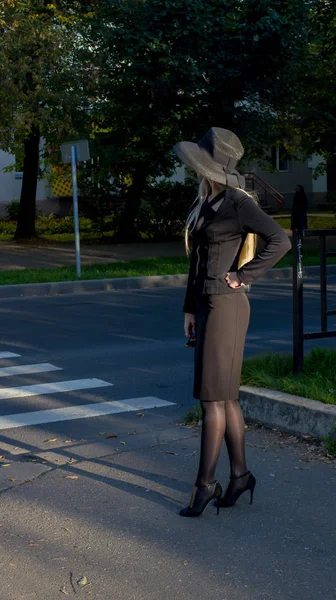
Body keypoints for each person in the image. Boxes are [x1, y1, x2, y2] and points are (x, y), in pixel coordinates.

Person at [173, 127, 291, 518]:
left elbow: (280, 240)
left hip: (228, 305)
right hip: (207, 304)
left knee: (212, 398)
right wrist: (189, 309)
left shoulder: (238, 203)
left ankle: (204, 486)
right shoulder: (207, 201)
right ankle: (240, 475)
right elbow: (197, 263)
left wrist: (246, 275)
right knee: (224, 397)